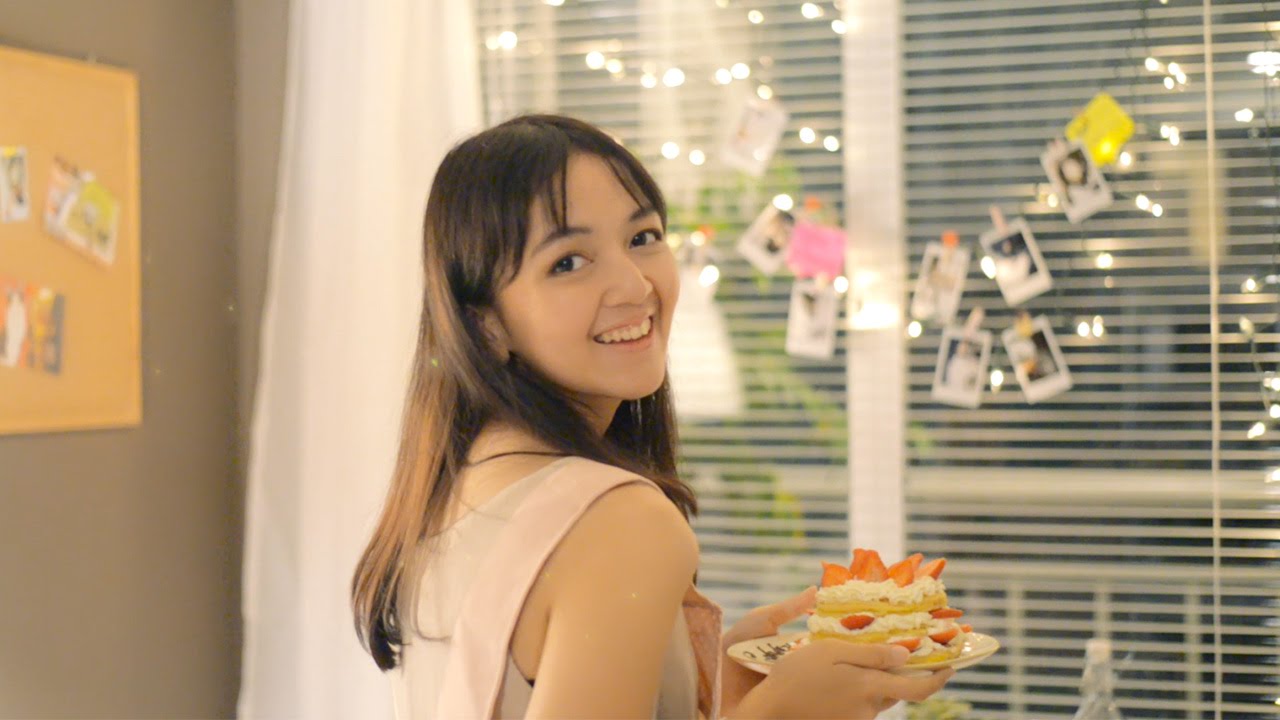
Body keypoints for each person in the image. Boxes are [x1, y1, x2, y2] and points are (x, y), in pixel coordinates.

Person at [351, 114, 954, 719]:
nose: (635, 284)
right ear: (486, 324)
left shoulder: (459, 486)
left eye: (642, 237)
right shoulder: (618, 520)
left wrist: (705, 687)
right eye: (568, 262)